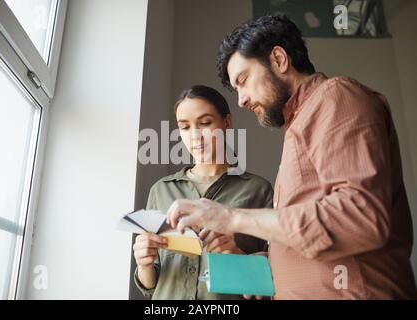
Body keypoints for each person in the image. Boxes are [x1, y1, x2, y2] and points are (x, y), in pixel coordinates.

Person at [166, 14, 417, 299]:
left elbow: (360, 218)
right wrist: (269, 266)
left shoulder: (336, 98)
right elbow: (313, 238)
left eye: (244, 80)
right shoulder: (299, 125)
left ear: (279, 59)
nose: (242, 99)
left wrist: (231, 218)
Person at [133, 85, 274, 299]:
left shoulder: (258, 190)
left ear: (226, 123)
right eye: (185, 127)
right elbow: (150, 286)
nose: (195, 136)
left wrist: (236, 255)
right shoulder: (160, 190)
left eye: (205, 123)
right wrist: (144, 264)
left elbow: (269, 282)